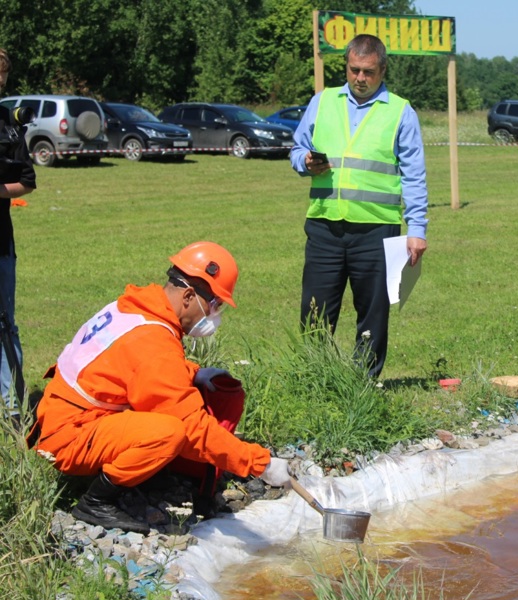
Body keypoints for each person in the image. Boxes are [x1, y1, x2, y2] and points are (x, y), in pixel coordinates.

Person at [30, 242, 292, 533]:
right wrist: (260, 464)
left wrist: (193, 372)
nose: (216, 315)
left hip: (68, 414)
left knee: (208, 395)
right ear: (189, 295)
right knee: (169, 433)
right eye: (215, 305)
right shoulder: (153, 339)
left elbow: (131, 367)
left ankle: (158, 473)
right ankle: (96, 501)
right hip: (67, 436)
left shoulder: (139, 308)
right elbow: (193, 427)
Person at [289, 34, 428, 378]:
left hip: (377, 229)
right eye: (354, 70)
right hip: (324, 225)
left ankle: (362, 383)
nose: (360, 79)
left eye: (368, 72)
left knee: (373, 312)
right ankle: (314, 379)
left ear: (382, 70)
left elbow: (414, 175)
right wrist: (305, 161)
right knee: (315, 309)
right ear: (346, 67)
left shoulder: (400, 111)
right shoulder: (322, 102)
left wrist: (417, 229)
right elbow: (296, 149)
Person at [0, 48, 37, 415]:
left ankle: (13, 408)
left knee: (4, 324)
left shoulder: (9, 124)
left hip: (0, 242)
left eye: (3, 75)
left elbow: (27, 181)